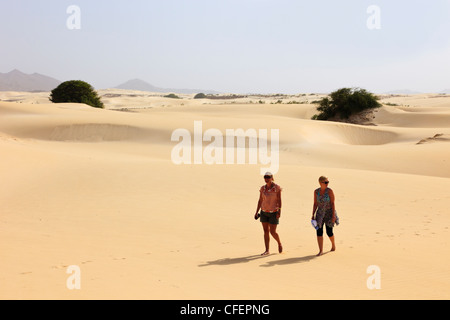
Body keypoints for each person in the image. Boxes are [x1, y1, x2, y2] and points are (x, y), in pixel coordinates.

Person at [254, 172, 283, 256]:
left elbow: (279, 200)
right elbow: (260, 200)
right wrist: (256, 211)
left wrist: (279, 211)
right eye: (265, 177)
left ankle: (279, 243)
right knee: (265, 231)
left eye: (268, 177)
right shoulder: (263, 188)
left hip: (273, 212)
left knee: (273, 232)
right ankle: (267, 250)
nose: (266, 179)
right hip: (264, 212)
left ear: (272, 178)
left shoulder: (277, 188)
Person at [311, 176, 337, 256]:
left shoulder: (330, 191)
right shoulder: (316, 192)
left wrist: (333, 216)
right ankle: (320, 250)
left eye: (327, 182)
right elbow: (315, 203)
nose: (327, 184)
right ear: (320, 183)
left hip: (329, 213)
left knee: (329, 232)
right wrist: (313, 214)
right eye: (325, 182)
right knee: (319, 231)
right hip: (319, 214)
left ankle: (333, 244)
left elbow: (332, 203)